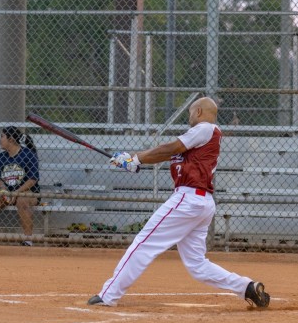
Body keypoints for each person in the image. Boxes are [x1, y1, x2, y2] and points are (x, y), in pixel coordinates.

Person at [87, 97, 270, 308]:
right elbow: (165, 154)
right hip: (200, 202)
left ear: (199, 112)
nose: (189, 118)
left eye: (191, 113)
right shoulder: (201, 138)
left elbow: (170, 148)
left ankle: (108, 295)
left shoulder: (205, 128)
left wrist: (135, 159)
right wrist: (132, 159)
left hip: (188, 199)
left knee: (143, 243)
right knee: (197, 265)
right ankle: (246, 287)